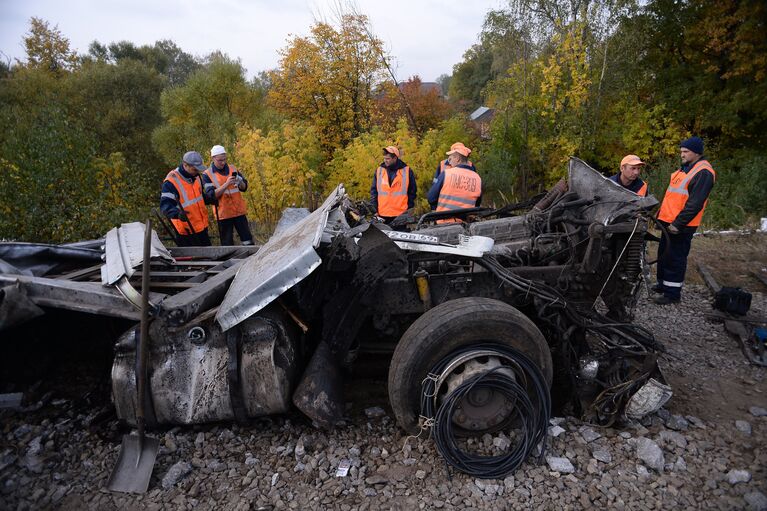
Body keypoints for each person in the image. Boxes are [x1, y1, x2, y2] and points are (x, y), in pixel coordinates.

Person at [653, 136, 716, 305]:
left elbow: (694, 204)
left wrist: (678, 224)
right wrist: (660, 217)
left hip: (681, 225)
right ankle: (662, 285)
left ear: (696, 152)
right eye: (681, 151)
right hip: (669, 222)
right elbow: (673, 196)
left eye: (685, 152)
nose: (682, 154)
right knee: (664, 255)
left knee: (675, 258)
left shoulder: (703, 172)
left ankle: (672, 294)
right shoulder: (687, 168)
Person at [202, 145, 254, 246]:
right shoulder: (207, 174)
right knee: (227, 245)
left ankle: (252, 259)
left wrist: (240, 182)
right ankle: (230, 261)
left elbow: (244, 188)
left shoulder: (233, 168)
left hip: (239, 212)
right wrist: (226, 184)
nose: (223, 162)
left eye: (224, 159)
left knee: (248, 241)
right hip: (223, 214)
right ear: (213, 158)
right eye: (220, 160)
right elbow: (211, 195)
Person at [160, 151, 213, 247]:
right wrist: (177, 214)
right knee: (195, 261)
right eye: (194, 169)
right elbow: (165, 206)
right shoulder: (171, 182)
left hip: (202, 227)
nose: (197, 172)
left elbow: (198, 196)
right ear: (185, 165)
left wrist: (208, 199)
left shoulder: (196, 176)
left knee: (208, 258)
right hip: (186, 232)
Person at [427, 143, 482, 223]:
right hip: (466, 224)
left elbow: (431, 198)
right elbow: (477, 203)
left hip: (445, 223)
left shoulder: (446, 173)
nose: (449, 161)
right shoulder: (477, 178)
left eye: (451, 158)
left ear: (458, 159)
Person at [370, 146, 417, 225]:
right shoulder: (379, 171)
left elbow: (412, 191)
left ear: (395, 158)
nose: (385, 161)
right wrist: (374, 210)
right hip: (382, 214)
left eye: (388, 159)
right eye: (384, 158)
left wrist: (409, 208)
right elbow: (374, 192)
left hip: (401, 215)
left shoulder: (407, 171)